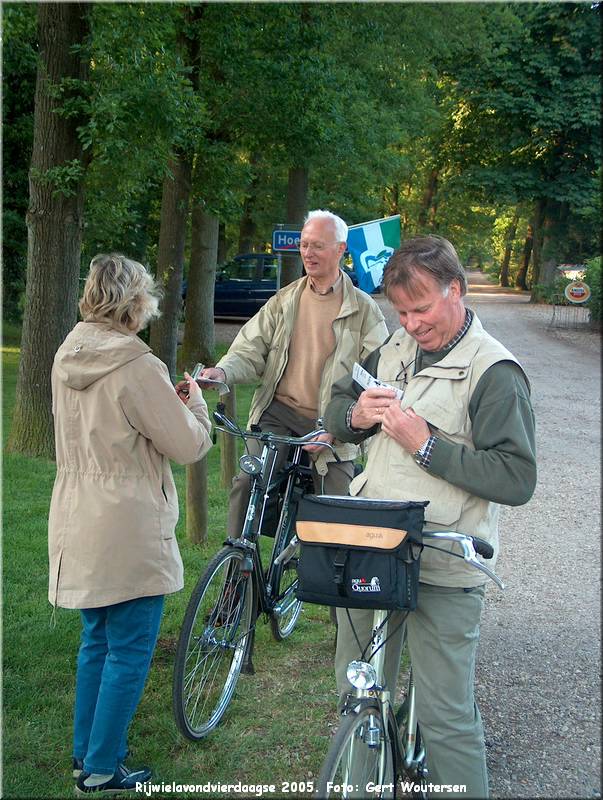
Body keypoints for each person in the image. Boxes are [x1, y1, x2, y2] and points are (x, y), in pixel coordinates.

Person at [324, 235, 537, 799]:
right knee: (359, 693)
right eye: (402, 311)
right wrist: (355, 414)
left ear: (456, 291)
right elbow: (336, 411)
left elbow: (517, 479)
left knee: (445, 719)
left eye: (422, 309)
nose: (412, 323)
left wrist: (427, 446)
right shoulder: (393, 347)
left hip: (443, 560)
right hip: (373, 545)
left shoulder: (494, 372)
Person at [48, 253, 212, 795]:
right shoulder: (137, 366)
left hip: (79, 516)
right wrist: (198, 408)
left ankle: (86, 755)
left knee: (97, 639)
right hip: (128, 524)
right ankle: (101, 767)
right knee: (128, 648)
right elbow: (187, 445)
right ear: (133, 301)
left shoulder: (67, 352)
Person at [196, 209, 389, 540]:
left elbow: (377, 377)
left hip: (331, 420)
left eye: (317, 246)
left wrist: (339, 429)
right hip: (279, 414)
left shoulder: (363, 309)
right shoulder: (285, 300)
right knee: (247, 481)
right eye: (304, 245)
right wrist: (222, 372)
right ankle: (237, 564)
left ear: (341, 249)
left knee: (337, 505)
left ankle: (324, 578)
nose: (308, 253)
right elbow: (249, 350)